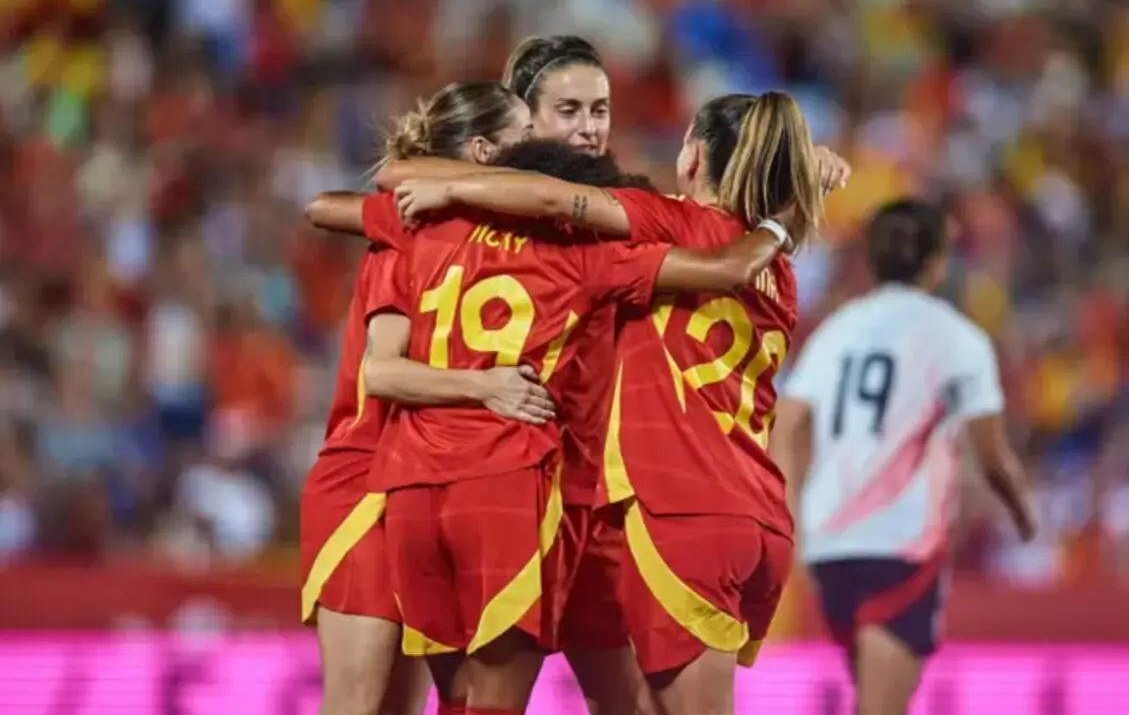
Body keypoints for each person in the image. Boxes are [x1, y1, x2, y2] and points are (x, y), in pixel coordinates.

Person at [391, 91, 832, 715]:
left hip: (681, 508)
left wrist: (455, 188)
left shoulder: (673, 223)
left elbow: (550, 196)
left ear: (693, 156)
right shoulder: (779, 268)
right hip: (756, 514)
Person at [299, 81, 544, 715]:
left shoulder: (510, 237)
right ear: (483, 150)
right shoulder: (414, 228)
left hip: (431, 482)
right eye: (528, 132)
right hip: (365, 483)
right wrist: (486, 387)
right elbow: (379, 374)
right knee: (356, 705)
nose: (542, 143)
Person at [769, 199, 1037, 715]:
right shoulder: (956, 337)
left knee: (871, 695)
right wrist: (1024, 512)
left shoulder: (838, 330)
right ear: (937, 260)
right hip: (898, 543)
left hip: (829, 545)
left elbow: (789, 422)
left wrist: (790, 511)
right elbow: (993, 453)